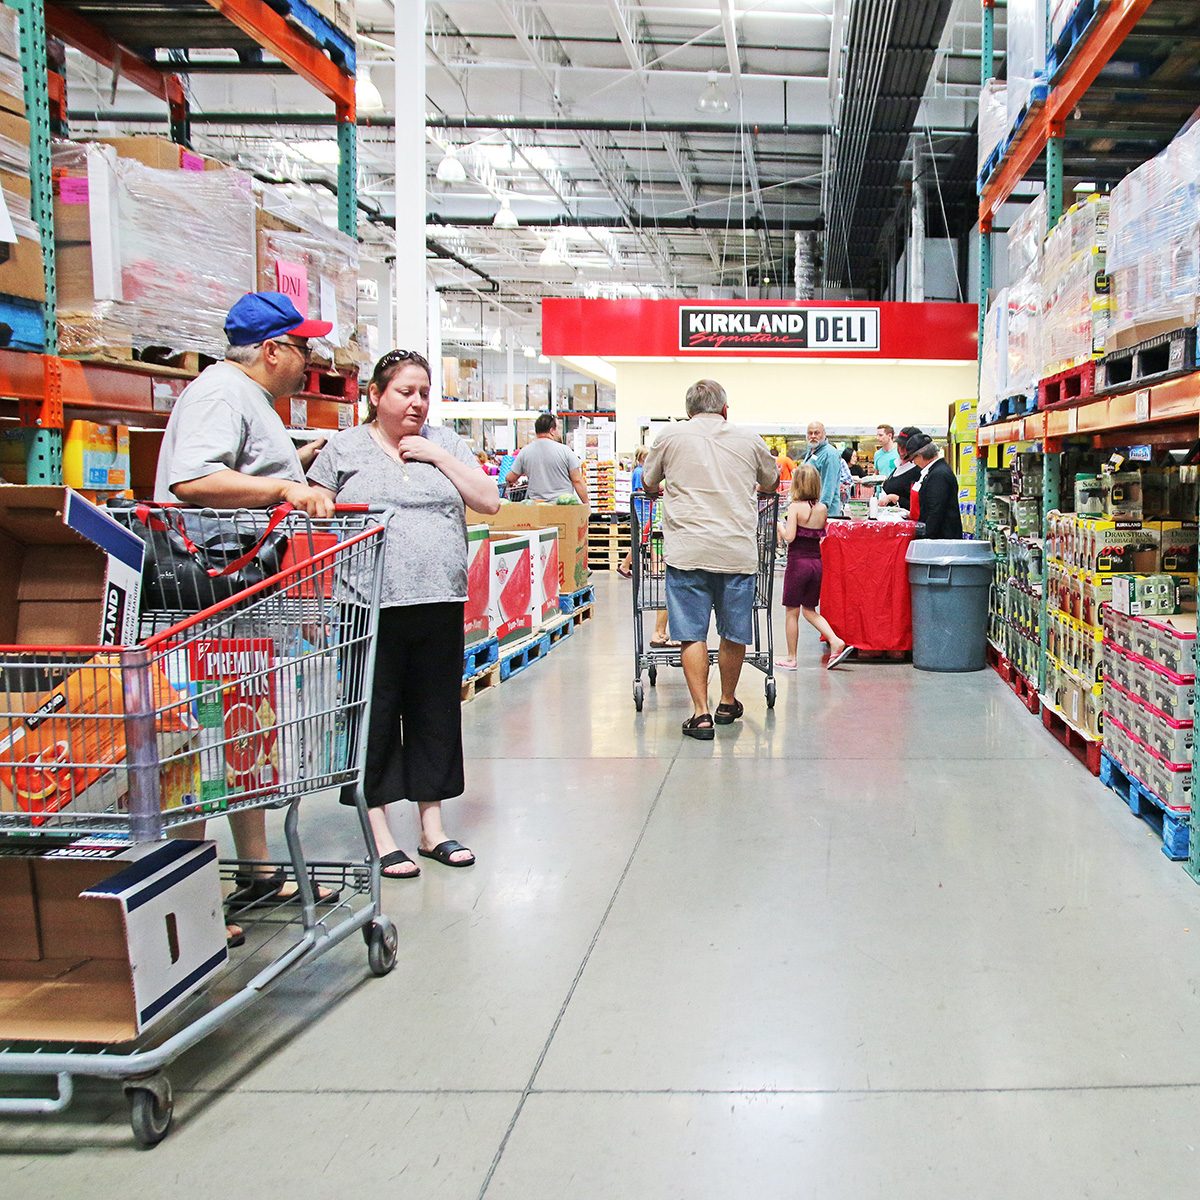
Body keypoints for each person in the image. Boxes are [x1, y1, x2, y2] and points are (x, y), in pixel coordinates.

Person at [154, 290, 339, 945]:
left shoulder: (247, 400)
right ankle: (184, 900)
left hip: (238, 592)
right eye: (304, 347)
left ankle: (258, 871)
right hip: (204, 594)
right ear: (272, 350)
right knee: (196, 742)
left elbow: (236, 470)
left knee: (242, 729)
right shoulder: (218, 394)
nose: (311, 359)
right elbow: (193, 480)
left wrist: (296, 461)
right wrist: (287, 486)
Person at [307, 349, 500, 878]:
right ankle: (379, 831)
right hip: (366, 606)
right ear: (375, 395)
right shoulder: (344, 449)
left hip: (438, 600)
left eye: (423, 392)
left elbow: (489, 500)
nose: (416, 402)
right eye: (404, 391)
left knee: (434, 714)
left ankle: (432, 829)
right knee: (372, 715)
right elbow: (312, 512)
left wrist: (436, 457)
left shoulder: (445, 443)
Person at [641, 379, 778, 739]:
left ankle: (700, 714)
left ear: (688, 411)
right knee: (734, 631)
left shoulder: (669, 437)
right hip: (736, 550)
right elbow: (771, 481)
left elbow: (648, 483)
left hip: (687, 551)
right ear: (725, 409)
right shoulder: (749, 439)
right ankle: (727, 702)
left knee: (690, 633)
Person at [775, 464, 855, 672]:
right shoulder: (822, 509)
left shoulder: (794, 508)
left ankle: (792, 657)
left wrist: (779, 527)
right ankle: (835, 640)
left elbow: (790, 537)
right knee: (810, 610)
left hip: (797, 564)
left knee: (792, 612)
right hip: (816, 564)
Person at [505, 413, 588, 504]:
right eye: (558, 429)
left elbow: (510, 478)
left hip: (536, 508)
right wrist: (586, 504)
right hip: (562, 507)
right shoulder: (565, 451)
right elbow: (577, 480)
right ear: (552, 431)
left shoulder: (525, 452)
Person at [907, 433, 964, 540]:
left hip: (941, 540)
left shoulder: (938, 475)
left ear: (920, 456)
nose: (914, 463)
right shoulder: (937, 471)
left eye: (912, 459)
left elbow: (935, 511)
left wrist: (925, 536)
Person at [618, 446, 649, 578]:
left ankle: (627, 564)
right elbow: (639, 491)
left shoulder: (641, 471)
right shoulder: (639, 472)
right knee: (642, 538)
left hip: (645, 508)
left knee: (644, 537)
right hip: (642, 508)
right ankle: (625, 564)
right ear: (643, 457)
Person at [803, 421, 843, 517]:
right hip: (811, 510)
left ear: (824, 434)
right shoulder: (812, 451)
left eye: (816, 433)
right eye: (810, 433)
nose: (813, 436)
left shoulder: (830, 454)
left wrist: (821, 510)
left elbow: (829, 485)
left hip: (825, 514)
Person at [878, 426, 923, 512]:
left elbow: (919, 506)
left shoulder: (919, 472)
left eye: (905, 447)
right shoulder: (898, 466)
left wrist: (895, 498)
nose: (901, 450)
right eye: (899, 445)